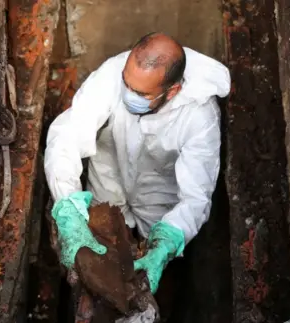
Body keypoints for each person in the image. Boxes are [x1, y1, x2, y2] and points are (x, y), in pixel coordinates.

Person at [44, 32, 231, 293]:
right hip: (108, 182)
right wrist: (68, 209)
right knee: (95, 263)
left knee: (151, 277)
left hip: (159, 202)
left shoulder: (199, 116)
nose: (128, 94)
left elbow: (196, 197)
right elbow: (67, 136)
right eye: (127, 84)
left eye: (140, 93)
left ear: (173, 90)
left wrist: (166, 242)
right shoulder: (112, 74)